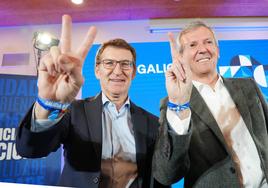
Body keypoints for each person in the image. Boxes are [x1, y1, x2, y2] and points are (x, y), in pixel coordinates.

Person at [16, 15, 166, 188]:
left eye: (125, 64)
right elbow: (30, 149)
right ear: (97, 71)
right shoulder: (73, 111)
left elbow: (159, 178)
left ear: (133, 73)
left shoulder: (153, 123)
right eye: (109, 63)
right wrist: (49, 104)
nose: (118, 71)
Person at [152, 20, 268, 188]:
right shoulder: (174, 103)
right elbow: (166, 174)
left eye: (208, 42)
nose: (202, 49)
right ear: (181, 57)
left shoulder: (247, 86)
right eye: (192, 45)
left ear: (218, 50)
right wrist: (180, 104)